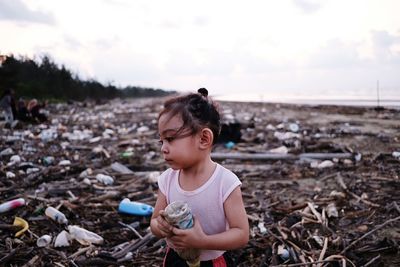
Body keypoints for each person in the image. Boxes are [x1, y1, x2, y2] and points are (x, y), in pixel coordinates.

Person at [150, 88, 249, 266]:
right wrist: (161, 227)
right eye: (161, 141)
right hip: (176, 259)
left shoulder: (225, 183)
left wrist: (202, 241)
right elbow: (155, 222)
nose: (163, 148)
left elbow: (241, 234)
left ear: (204, 139)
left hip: (212, 261)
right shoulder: (167, 179)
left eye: (171, 139)